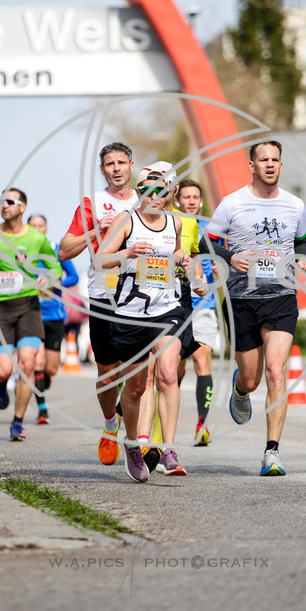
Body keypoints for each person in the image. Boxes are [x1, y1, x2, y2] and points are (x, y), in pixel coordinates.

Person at [202, 140, 306, 477]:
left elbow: (301, 241)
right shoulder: (232, 203)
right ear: (251, 165)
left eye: (275, 159)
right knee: (251, 379)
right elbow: (208, 241)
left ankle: (272, 453)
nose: (270, 165)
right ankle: (239, 387)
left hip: (281, 298)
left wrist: (303, 258)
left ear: (281, 164)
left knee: (276, 372)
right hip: (240, 301)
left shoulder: (295, 205)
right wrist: (229, 257)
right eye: (263, 159)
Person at [99, 163, 190, 482]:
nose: (155, 196)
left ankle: (168, 448)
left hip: (167, 309)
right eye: (148, 190)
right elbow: (101, 260)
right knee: (136, 385)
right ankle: (132, 445)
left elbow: (176, 252)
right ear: (139, 194)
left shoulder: (175, 223)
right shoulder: (127, 221)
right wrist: (127, 252)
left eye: (161, 191)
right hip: (131, 313)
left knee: (167, 373)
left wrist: (183, 260)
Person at [58, 142, 139, 466]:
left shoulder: (145, 201)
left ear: (131, 166)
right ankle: (109, 425)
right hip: (104, 295)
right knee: (107, 374)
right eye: (110, 163)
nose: (116, 168)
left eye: (122, 162)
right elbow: (64, 250)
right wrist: (96, 229)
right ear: (102, 169)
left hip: (142, 299)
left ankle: (139, 439)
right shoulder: (94, 203)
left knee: (138, 374)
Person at [0, 188, 62, 441]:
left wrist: (49, 276)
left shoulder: (35, 237)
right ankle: (0, 385)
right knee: (1, 370)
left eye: (10, 201)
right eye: (2, 201)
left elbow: (55, 264)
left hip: (28, 307)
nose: (5, 205)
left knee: (28, 363)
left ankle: (17, 421)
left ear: (22, 207)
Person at [174, 179, 218, 446]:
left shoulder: (211, 230)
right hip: (175, 305)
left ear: (200, 201)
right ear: (178, 201)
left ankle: (203, 424)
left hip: (204, 305)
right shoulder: (171, 224)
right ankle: (162, 418)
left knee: (203, 363)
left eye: (195, 197)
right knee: (174, 370)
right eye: (186, 196)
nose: (191, 200)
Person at [26, 213, 80, 424]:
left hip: (55, 315)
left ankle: (43, 381)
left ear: (46, 228)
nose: (38, 228)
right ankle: (42, 408)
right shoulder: (22, 251)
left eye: (41, 225)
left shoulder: (57, 249)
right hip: (31, 313)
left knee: (50, 368)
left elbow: (73, 276)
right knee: (36, 362)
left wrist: (56, 284)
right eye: (34, 225)